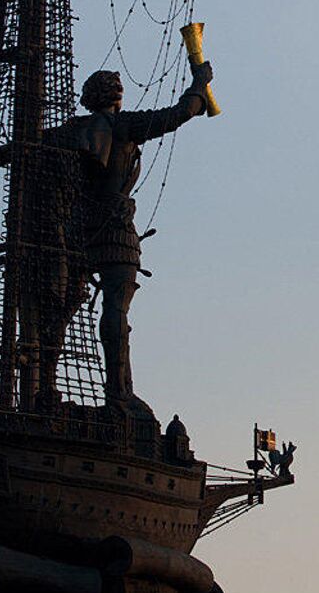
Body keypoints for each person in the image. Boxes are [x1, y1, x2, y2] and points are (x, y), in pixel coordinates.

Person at [70, 61, 212, 407]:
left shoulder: (72, 130)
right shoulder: (124, 126)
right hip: (116, 229)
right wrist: (200, 82)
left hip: (76, 228)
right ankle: (119, 391)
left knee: (61, 307)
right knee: (117, 308)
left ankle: (44, 385)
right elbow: (178, 114)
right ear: (117, 97)